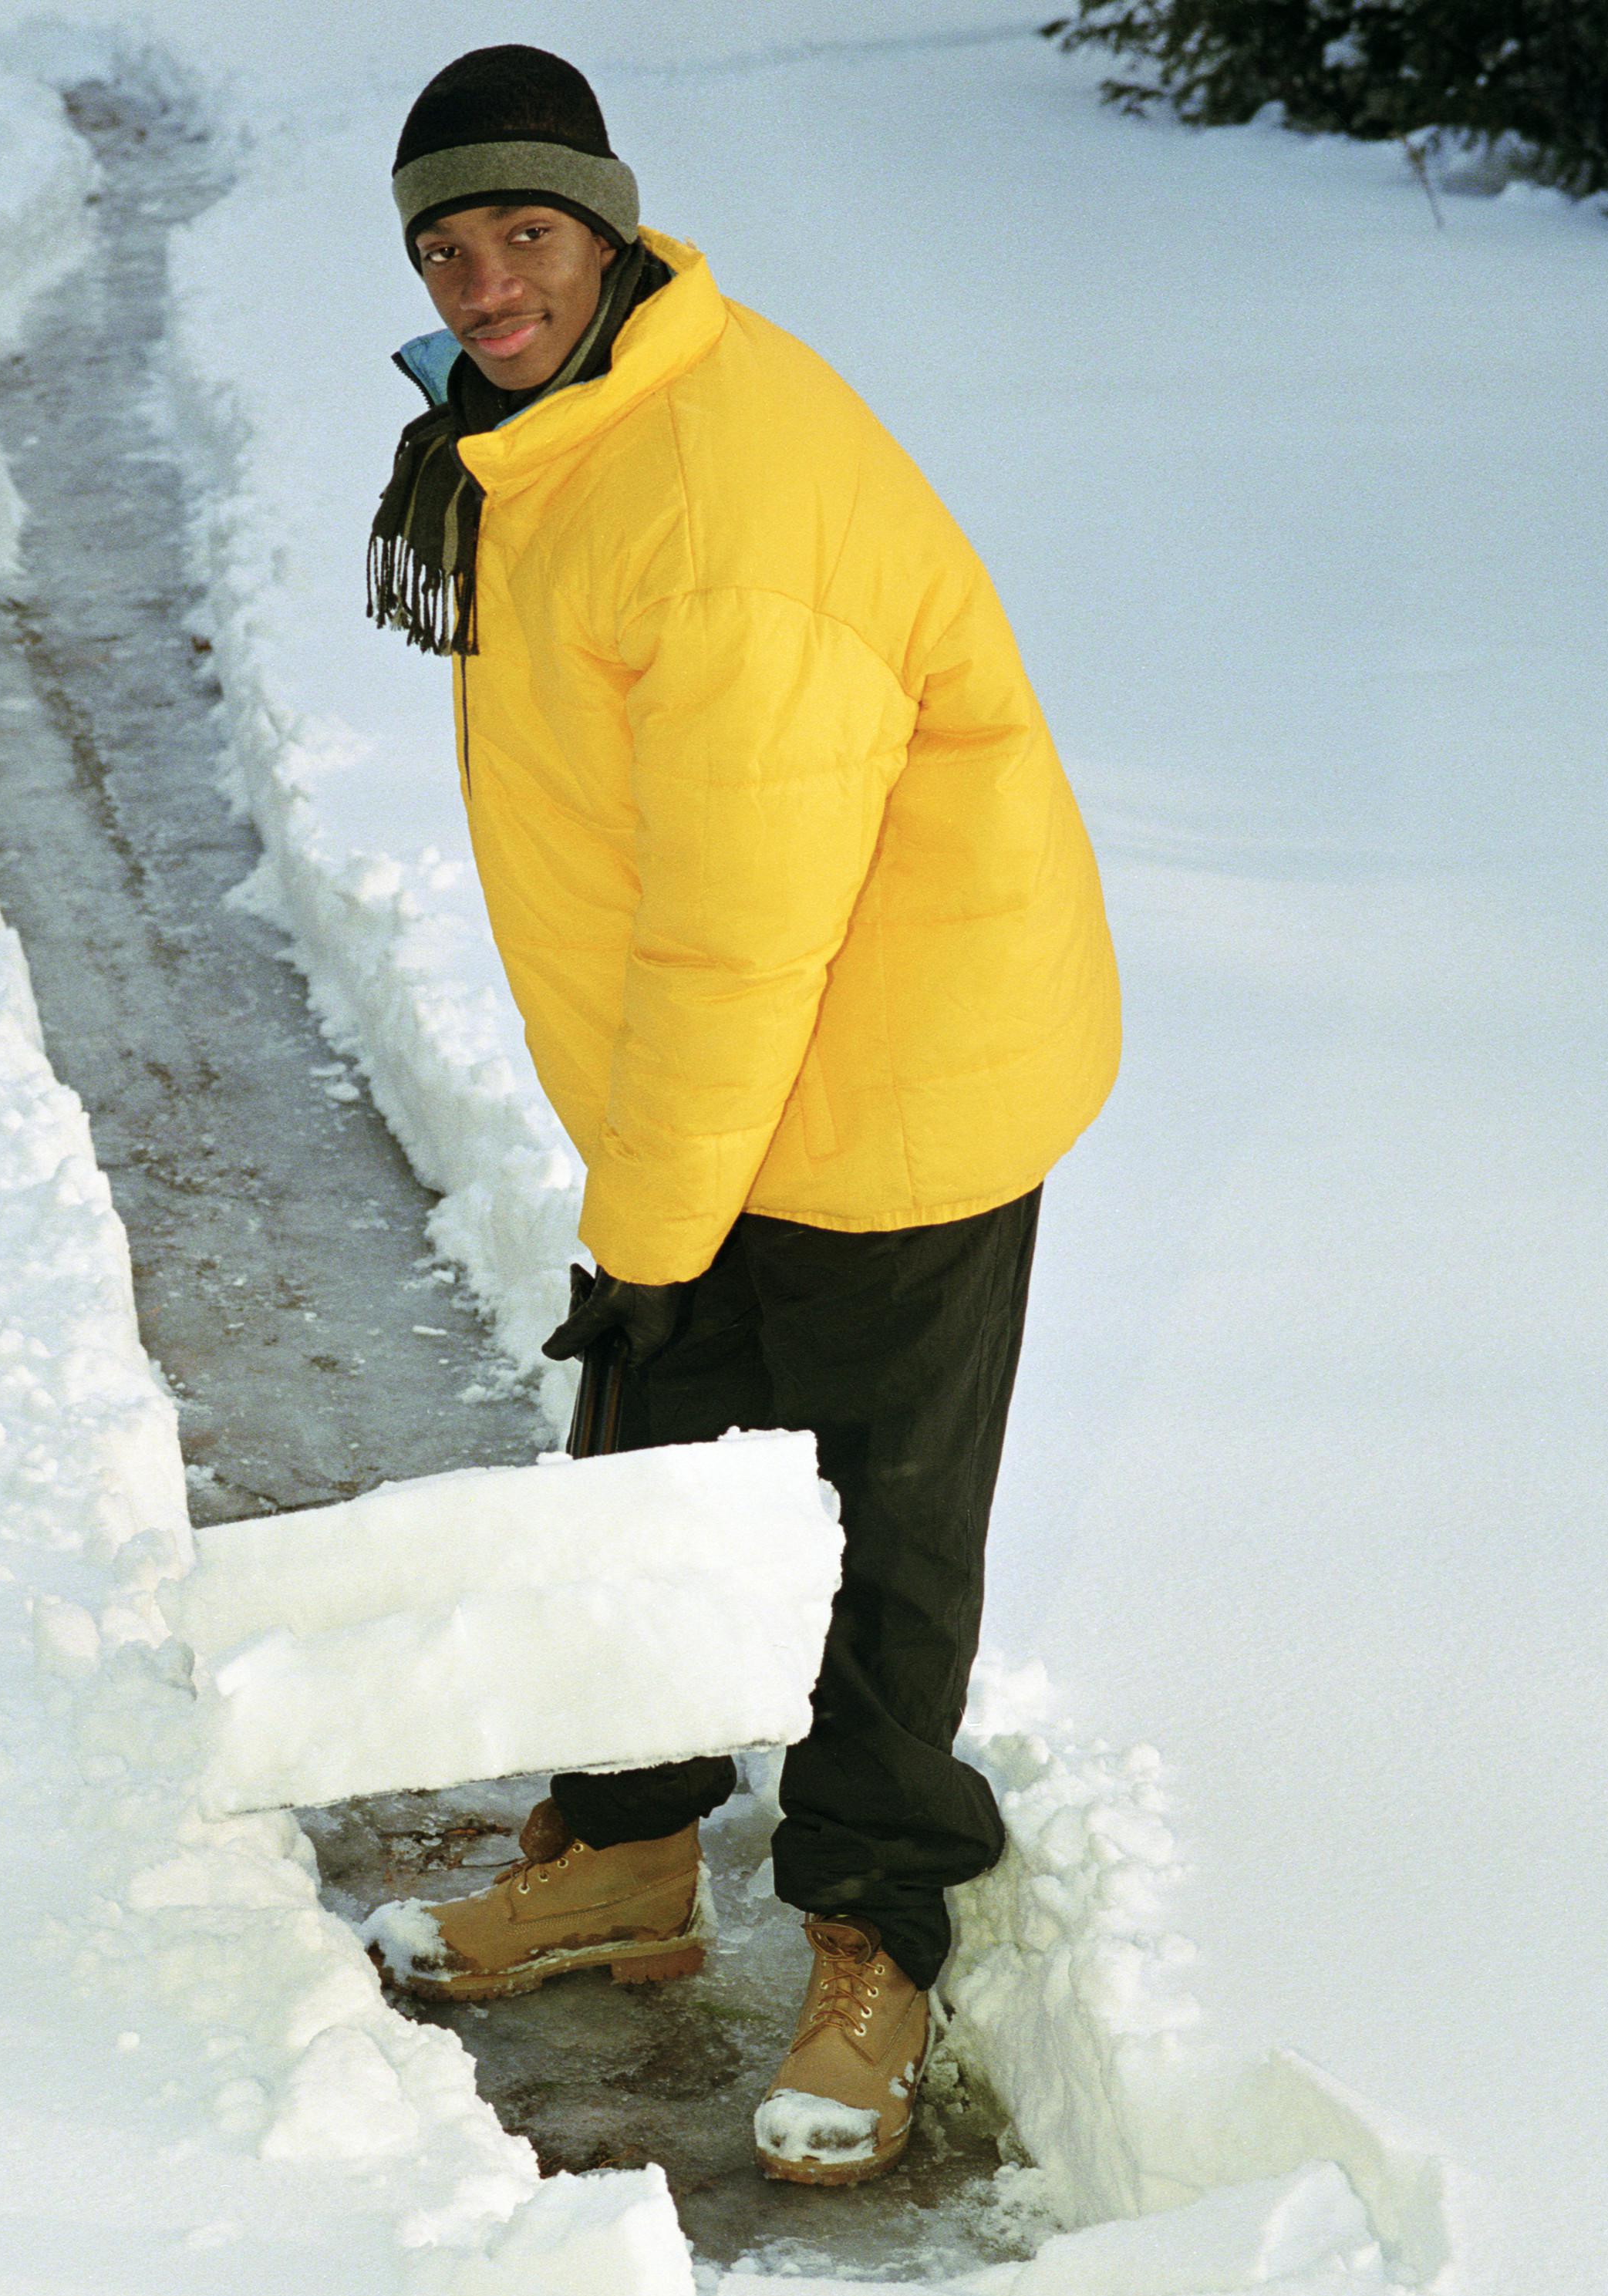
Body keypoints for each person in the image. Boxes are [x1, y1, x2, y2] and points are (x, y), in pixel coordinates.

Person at [364, 42, 1120, 2187]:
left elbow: (742, 931)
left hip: (898, 1071)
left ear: (607, 230)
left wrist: (652, 1228)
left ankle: (878, 1935)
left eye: (524, 235)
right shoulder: (553, 425)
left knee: (881, 1532)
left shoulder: (719, 505)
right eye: (445, 242)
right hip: (736, 1059)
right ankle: (619, 1858)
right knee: (656, 1464)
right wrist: (662, 1230)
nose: (484, 281)